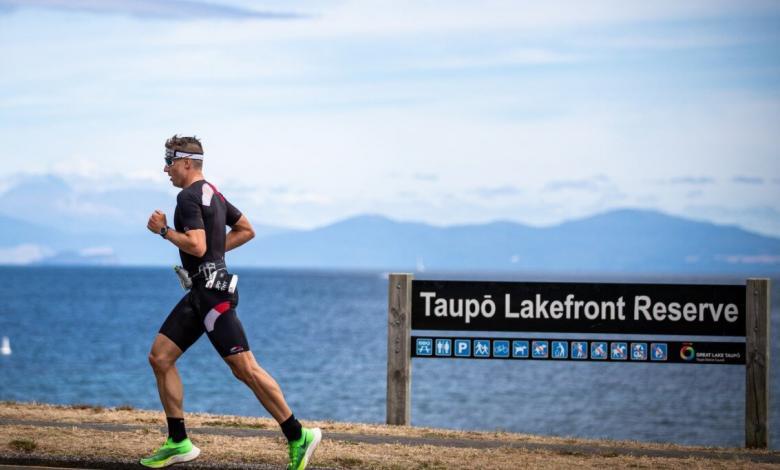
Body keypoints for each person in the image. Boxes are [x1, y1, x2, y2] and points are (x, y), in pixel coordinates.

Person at [141, 135, 321, 469]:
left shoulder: (187, 198)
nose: (165, 169)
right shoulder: (213, 193)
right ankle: (178, 441)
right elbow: (245, 229)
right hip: (201, 292)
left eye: (169, 163)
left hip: (212, 296)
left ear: (185, 163)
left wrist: (164, 231)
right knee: (160, 357)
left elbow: (195, 246)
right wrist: (214, 253)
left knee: (245, 369)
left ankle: (298, 435)